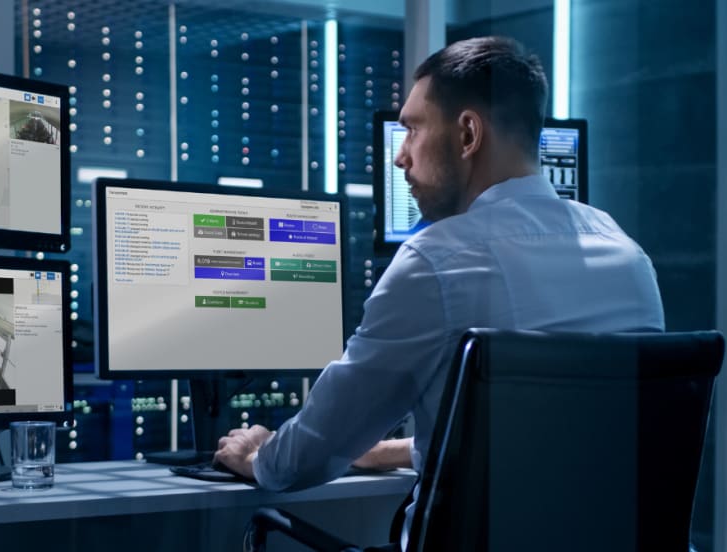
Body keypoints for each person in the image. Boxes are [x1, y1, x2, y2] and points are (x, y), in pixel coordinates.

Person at [214, 35, 665, 549]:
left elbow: (312, 454)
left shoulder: (435, 260)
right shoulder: (626, 253)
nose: (400, 157)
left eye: (411, 130)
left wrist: (257, 458)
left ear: (468, 133)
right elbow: (562, 439)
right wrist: (395, 450)